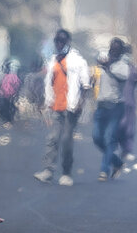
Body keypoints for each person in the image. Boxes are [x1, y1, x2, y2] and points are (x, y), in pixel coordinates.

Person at [34, 29, 90, 186]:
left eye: (62, 41)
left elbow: (86, 85)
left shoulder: (77, 61)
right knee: (52, 139)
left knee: (66, 140)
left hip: (71, 107)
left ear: (68, 42)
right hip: (56, 106)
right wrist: (45, 102)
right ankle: (48, 171)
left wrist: (81, 103)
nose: (59, 44)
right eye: (57, 41)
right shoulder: (52, 60)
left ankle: (66, 172)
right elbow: (48, 83)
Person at [92, 38, 130, 181]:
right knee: (97, 138)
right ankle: (117, 162)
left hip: (115, 106)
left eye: (116, 49)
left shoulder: (123, 66)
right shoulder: (103, 65)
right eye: (112, 48)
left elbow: (122, 79)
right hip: (101, 105)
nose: (113, 51)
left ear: (120, 52)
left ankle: (104, 170)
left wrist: (108, 68)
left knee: (109, 138)